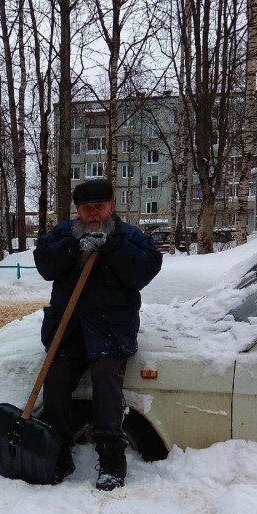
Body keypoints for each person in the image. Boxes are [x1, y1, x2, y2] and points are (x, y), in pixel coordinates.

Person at [33, 179, 162, 490]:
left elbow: (144, 271)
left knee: (106, 376)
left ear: (111, 206)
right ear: (78, 209)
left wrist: (111, 246)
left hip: (110, 329)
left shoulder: (129, 237)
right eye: (86, 208)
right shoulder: (65, 233)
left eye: (99, 207)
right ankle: (60, 450)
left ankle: (112, 456)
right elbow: (44, 263)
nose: (93, 214)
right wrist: (73, 247)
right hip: (70, 327)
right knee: (57, 375)